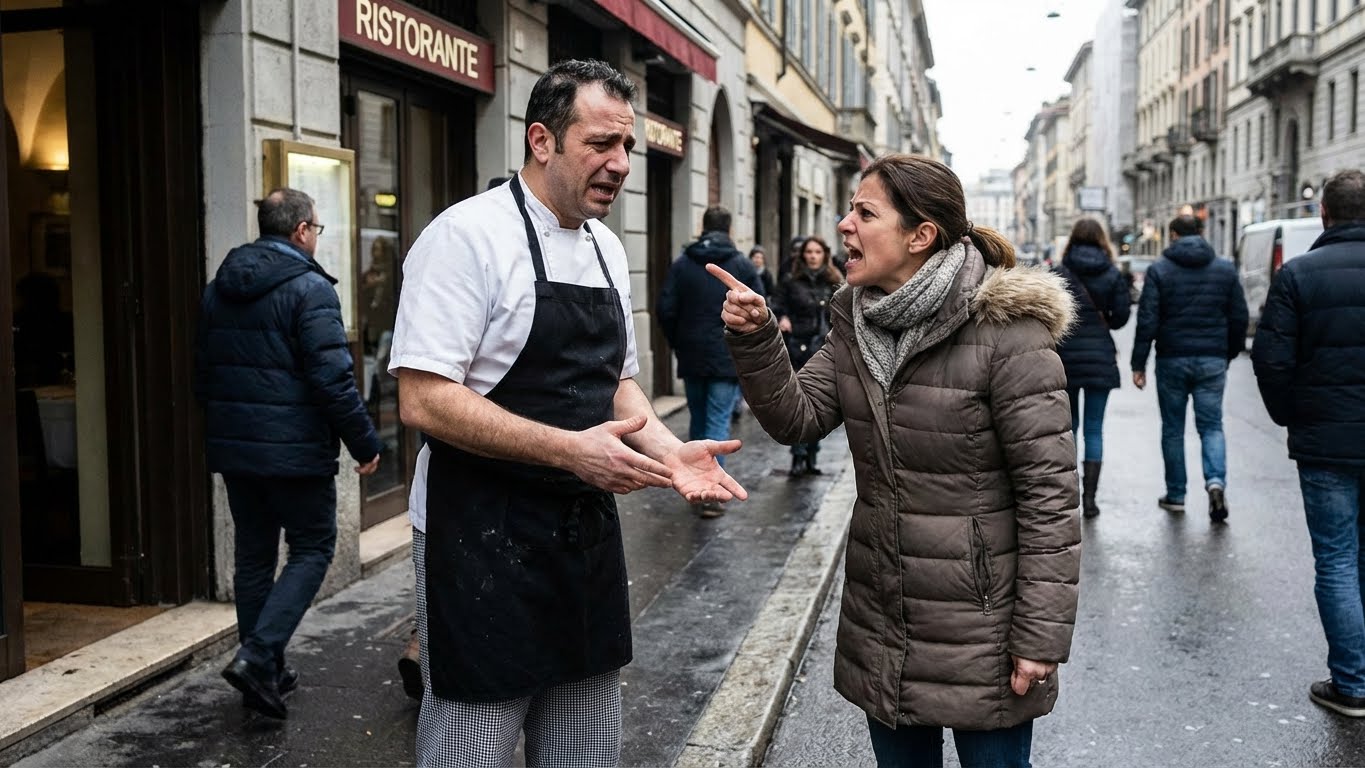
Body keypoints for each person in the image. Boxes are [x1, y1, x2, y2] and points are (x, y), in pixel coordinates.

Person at [387, 59, 746, 766]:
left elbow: (620, 385)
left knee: (583, 747)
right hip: (477, 533)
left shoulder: (609, 249)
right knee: (468, 747)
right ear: (542, 140)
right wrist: (568, 450)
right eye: (600, 144)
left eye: (627, 148)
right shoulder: (466, 237)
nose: (618, 164)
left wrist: (667, 451)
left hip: (581, 534)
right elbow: (422, 397)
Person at [712, 153, 1081, 768]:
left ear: (920, 235)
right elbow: (795, 418)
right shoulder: (854, 322)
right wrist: (756, 340)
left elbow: (1050, 498)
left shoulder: (1009, 333)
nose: (843, 226)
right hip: (884, 619)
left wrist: (1040, 638)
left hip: (982, 628)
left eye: (864, 212)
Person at [196, 188, 383, 719]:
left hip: (237, 451)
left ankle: (268, 669)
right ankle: (258, 657)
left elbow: (202, 374)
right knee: (313, 547)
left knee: (253, 557)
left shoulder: (218, 290)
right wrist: (364, 442)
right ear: (302, 230)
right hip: (295, 454)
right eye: (317, 229)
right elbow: (333, 379)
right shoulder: (310, 289)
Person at [1252, 169, 1365, 718]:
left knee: (1338, 559)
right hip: (1329, 434)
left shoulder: (1298, 274)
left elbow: (1271, 361)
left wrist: (1293, 416)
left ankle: (1353, 683)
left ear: (1324, 214)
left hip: (1325, 441)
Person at [1130, 214, 1248, 522]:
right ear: (1201, 232)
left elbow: (1148, 319)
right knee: (1211, 426)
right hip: (1212, 359)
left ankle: (1176, 494)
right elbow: (1239, 316)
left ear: (1172, 235)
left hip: (1172, 359)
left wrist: (1138, 363)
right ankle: (1215, 483)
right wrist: (1228, 353)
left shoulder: (1159, 270)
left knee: (1173, 429)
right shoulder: (1224, 269)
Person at [657, 205, 765, 518]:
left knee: (698, 418)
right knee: (717, 420)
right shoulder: (741, 265)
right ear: (729, 230)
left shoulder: (682, 265)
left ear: (702, 227)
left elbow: (665, 308)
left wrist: (679, 341)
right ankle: (710, 493)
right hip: (726, 353)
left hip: (690, 353)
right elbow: (759, 309)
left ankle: (694, 480)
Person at [1052, 218, 1132, 518]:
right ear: (1102, 240)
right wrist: (1105, 320)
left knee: (1069, 428)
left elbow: (1047, 313)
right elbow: (1122, 317)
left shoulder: (1060, 273)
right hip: (1099, 358)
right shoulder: (1111, 273)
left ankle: (1068, 495)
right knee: (1095, 430)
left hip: (1066, 359)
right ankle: (1090, 500)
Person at [771, 234, 843, 477]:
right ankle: (798, 457)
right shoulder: (792, 281)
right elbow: (776, 304)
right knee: (799, 404)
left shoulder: (834, 281)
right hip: (798, 348)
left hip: (825, 349)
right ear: (803, 256)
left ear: (824, 255)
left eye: (817, 252)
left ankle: (813, 455)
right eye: (809, 252)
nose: (813, 256)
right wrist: (782, 317)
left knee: (821, 404)